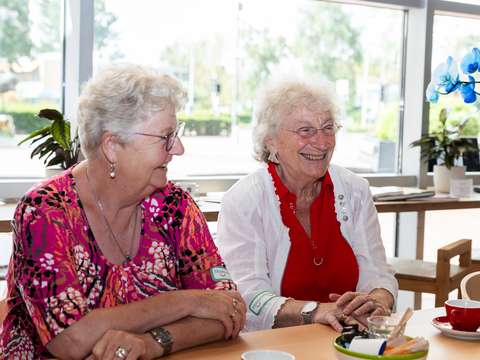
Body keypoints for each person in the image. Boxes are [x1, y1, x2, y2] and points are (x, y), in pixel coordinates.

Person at [0, 64, 246, 359]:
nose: (178, 148)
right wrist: (188, 302)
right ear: (112, 147)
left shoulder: (174, 208)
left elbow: (229, 309)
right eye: (165, 136)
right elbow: (71, 339)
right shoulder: (45, 212)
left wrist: (152, 343)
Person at [216, 76, 397, 332]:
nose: (322, 142)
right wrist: (316, 311)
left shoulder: (355, 190)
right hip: (275, 348)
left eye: (327, 127)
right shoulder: (244, 200)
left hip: (348, 342)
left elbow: (378, 272)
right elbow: (248, 298)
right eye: (306, 130)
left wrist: (378, 299)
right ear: (271, 140)